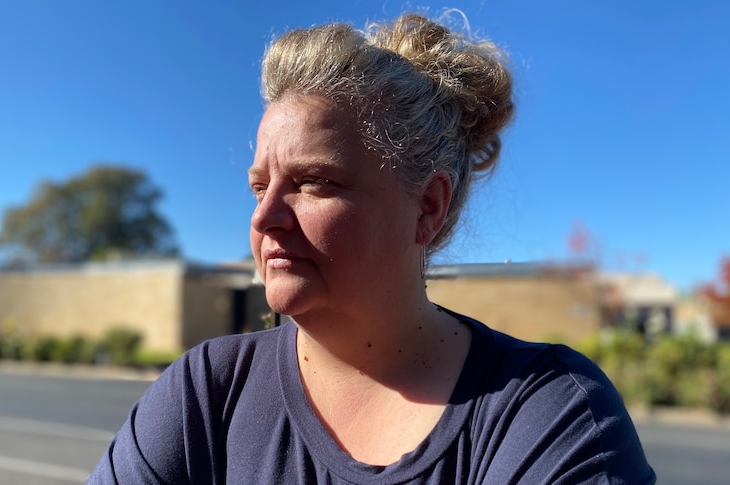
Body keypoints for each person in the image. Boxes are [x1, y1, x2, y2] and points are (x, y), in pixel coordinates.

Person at [88, 12, 655, 484]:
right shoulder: (208, 393)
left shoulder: (544, 411)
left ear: (428, 207)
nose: (264, 217)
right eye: (260, 187)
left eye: (316, 182)